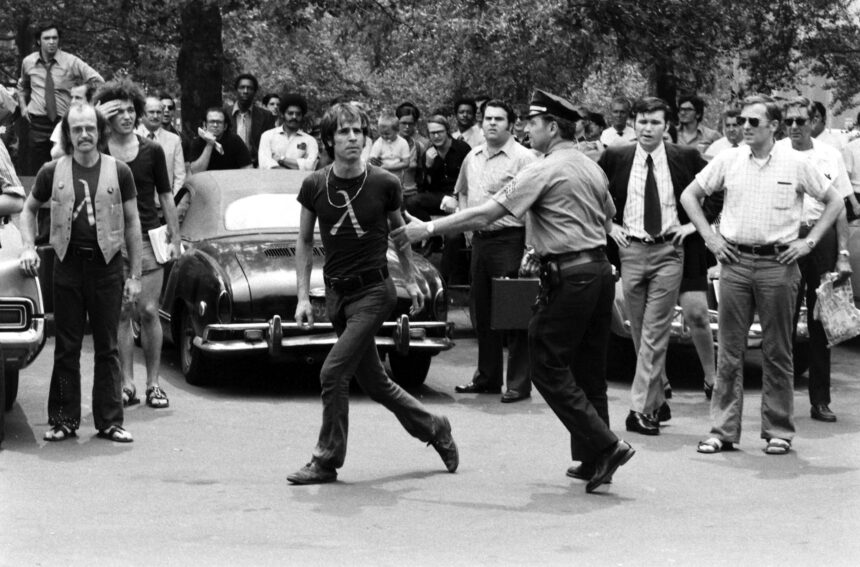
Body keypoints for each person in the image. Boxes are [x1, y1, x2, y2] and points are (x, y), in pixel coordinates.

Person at [393, 89, 635, 494]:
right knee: (590, 370)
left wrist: (429, 228)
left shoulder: (542, 169)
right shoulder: (590, 166)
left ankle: (607, 445)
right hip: (597, 273)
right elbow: (609, 214)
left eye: (533, 124)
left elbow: (489, 211)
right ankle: (594, 456)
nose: (527, 130)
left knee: (545, 364)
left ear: (552, 127)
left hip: (569, 276)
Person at [286, 102, 458, 484]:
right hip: (337, 295)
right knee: (376, 383)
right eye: (344, 132)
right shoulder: (315, 184)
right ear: (329, 139)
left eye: (358, 131)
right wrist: (302, 297)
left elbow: (400, 234)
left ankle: (326, 460)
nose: (352, 138)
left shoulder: (384, 183)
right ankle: (436, 428)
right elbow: (302, 241)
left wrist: (410, 280)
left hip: (374, 293)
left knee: (332, 372)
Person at [681, 94, 843, 456]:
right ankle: (722, 431)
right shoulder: (728, 159)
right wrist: (710, 237)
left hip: (779, 265)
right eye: (742, 120)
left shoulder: (796, 163)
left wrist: (810, 242)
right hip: (735, 263)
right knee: (730, 351)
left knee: (778, 351)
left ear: (774, 126)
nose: (745, 127)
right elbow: (690, 196)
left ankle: (778, 430)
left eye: (754, 122)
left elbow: (834, 201)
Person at [18, 102, 142, 443]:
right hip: (67, 265)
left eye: (90, 128)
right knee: (67, 347)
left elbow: (133, 223)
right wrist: (29, 245)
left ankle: (109, 421)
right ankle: (63, 420)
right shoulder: (51, 170)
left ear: (99, 132)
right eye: (77, 129)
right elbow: (27, 211)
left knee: (107, 347)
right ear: (68, 134)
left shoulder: (119, 171)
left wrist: (134, 275)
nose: (84, 135)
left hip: (107, 266)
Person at [599, 97, 712, 436]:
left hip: (668, 252)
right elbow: (593, 192)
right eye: (642, 122)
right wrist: (608, 226)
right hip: (630, 250)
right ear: (633, 123)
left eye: (655, 123)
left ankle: (639, 410)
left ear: (667, 126)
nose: (647, 129)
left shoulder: (686, 158)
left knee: (654, 330)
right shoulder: (616, 157)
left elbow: (719, 188)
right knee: (638, 330)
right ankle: (658, 397)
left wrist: (695, 225)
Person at [94, 79, 182, 411]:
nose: (128, 116)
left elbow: (165, 195)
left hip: (147, 238)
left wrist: (175, 237)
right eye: (119, 111)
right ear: (108, 116)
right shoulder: (98, 151)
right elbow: (62, 150)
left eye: (132, 110)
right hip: (110, 241)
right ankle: (126, 383)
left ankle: (153, 384)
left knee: (147, 311)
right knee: (120, 313)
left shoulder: (152, 150)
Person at [449, 99, 536, 402]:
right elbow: (460, 192)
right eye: (487, 118)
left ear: (511, 125)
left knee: (514, 313)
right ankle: (487, 377)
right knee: (481, 312)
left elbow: (536, 206)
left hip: (511, 240)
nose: (492, 124)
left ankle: (518, 383)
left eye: (499, 119)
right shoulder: (472, 156)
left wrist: (530, 248)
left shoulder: (525, 159)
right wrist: (468, 227)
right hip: (480, 242)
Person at [779, 96, 855, 423]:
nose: (794, 127)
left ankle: (820, 400)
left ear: (813, 122)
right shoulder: (777, 152)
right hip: (786, 240)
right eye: (789, 121)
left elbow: (838, 209)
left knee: (821, 321)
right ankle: (779, 403)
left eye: (801, 120)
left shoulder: (830, 155)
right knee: (781, 320)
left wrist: (842, 254)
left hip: (820, 239)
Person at [17, 22, 104, 175]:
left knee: (64, 167)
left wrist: (86, 100)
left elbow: (98, 81)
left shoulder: (71, 61)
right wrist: (23, 107)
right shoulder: (28, 62)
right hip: (37, 122)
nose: (51, 42)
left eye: (55, 38)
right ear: (39, 41)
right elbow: (23, 86)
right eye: (47, 38)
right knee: (38, 170)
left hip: (63, 122)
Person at [137, 96, 186, 201]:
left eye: (159, 112)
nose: (155, 116)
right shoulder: (132, 136)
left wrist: (174, 202)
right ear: (142, 114)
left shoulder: (174, 140)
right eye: (151, 112)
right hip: (137, 204)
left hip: (164, 205)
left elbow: (180, 176)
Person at [258, 93, 319, 171]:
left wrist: (281, 159)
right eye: (290, 113)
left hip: (299, 182)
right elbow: (264, 164)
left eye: (298, 114)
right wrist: (297, 166)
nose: (294, 117)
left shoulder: (310, 141)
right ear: (283, 115)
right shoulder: (267, 136)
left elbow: (310, 166)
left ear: (302, 116)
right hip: (270, 181)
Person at [226, 73, 275, 167]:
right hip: (228, 167)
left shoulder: (266, 116)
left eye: (249, 88)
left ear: (255, 91)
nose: (245, 91)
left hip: (256, 167)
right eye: (242, 87)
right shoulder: (224, 113)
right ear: (236, 90)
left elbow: (270, 144)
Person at [188, 107, 253, 173]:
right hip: (205, 181)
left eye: (219, 122)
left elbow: (248, 168)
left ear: (225, 126)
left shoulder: (235, 140)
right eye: (212, 122)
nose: (215, 125)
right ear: (205, 125)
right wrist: (210, 144)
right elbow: (196, 171)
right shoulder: (197, 142)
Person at [49, 84, 93, 159]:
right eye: (71, 97)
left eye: (78, 98)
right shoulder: (62, 124)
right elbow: (55, 155)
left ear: (90, 101)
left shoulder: (99, 123)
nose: (72, 102)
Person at [395, 102, 428, 200]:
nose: (407, 127)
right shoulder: (385, 144)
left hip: (411, 195)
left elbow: (423, 174)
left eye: (410, 123)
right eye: (404, 123)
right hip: (391, 195)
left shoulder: (420, 146)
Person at [368, 113, 410, 181]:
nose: (384, 136)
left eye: (387, 134)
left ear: (397, 131)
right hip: (382, 177)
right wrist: (373, 161)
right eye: (381, 133)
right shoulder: (379, 143)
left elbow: (406, 163)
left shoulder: (403, 143)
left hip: (397, 178)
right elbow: (372, 160)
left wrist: (387, 167)